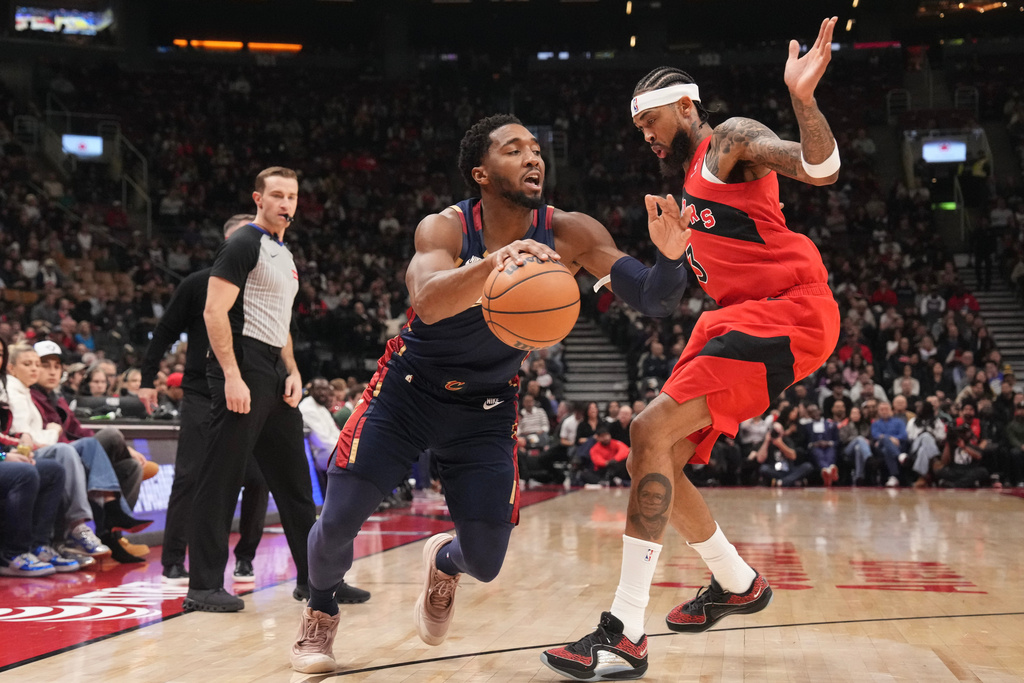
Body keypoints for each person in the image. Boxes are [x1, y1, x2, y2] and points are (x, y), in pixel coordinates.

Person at [290, 113, 689, 673]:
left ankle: (445, 563)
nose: (533, 158)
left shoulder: (571, 230)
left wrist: (671, 258)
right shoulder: (445, 228)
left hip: (486, 408)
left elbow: (655, 300)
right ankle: (321, 609)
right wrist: (490, 267)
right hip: (407, 394)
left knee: (485, 561)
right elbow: (426, 300)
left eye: (536, 150)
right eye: (514, 150)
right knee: (336, 523)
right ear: (480, 172)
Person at [542, 18, 842, 681]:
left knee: (647, 428)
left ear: (684, 105)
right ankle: (736, 581)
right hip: (731, 319)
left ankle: (623, 632)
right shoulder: (686, 192)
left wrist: (803, 100)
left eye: (649, 118)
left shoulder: (728, 142)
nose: (643, 132)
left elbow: (819, 167)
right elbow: (662, 298)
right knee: (653, 459)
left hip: (789, 309)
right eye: (636, 124)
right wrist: (671, 256)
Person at [181, 168, 319, 613]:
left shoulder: (284, 253)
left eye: (292, 196)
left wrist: (292, 369)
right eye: (277, 195)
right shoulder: (243, 243)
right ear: (258, 198)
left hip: (274, 372)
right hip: (242, 366)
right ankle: (202, 586)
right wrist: (232, 374)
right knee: (221, 480)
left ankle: (315, 581)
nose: (285, 203)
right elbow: (213, 311)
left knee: (297, 485)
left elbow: (281, 323)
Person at [136, 214, 276, 587]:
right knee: (189, 476)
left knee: (258, 478)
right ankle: (172, 562)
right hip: (203, 392)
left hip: (253, 394)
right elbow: (165, 331)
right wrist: (148, 379)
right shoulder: (198, 284)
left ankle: (245, 558)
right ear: (226, 244)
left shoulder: (267, 290)